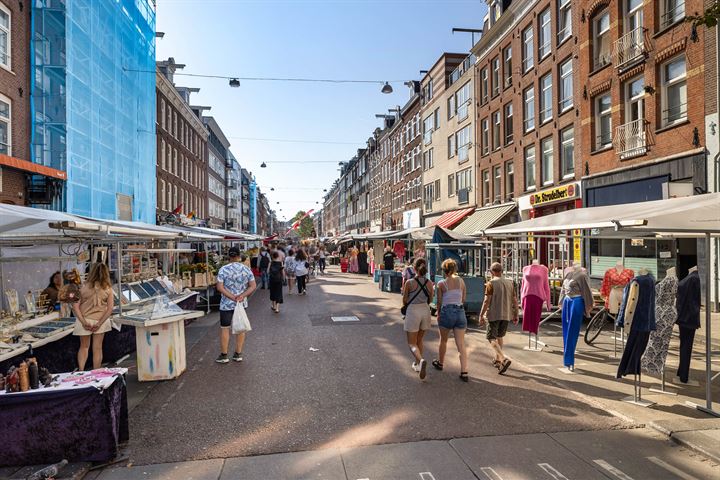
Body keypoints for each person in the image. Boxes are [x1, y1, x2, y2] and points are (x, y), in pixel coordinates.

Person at [215, 247, 257, 364]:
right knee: (240, 326)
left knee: (225, 328)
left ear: (229, 256)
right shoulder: (246, 269)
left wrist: (231, 296)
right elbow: (252, 286)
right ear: (239, 256)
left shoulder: (223, 269)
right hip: (241, 303)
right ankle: (238, 353)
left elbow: (220, 287)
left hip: (226, 304)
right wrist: (242, 296)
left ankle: (224, 355)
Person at [432, 259, 469, 382]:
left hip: (447, 312)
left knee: (443, 340)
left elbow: (439, 301)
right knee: (461, 344)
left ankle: (441, 363)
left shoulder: (441, 284)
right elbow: (463, 298)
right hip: (460, 311)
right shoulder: (461, 281)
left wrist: (438, 313)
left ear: (444, 271)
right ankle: (464, 371)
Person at [72, 263, 114, 370]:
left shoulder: (81, 287)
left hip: (84, 319)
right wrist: (99, 323)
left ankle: (81, 370)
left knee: (84, 347)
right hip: (101, 320)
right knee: (97, 348)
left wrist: (83, 322)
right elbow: (110, 309)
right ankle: (96, 372)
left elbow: (75, 307)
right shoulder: (108, 289)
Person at [479, 262, 519, 375]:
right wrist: (516, 314)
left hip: (494, 314)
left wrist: (481, 315)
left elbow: (487, 301)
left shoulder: (491, 283)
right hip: (506, 314)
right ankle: (498, 360)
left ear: (492, 272)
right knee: (500, 336)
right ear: (501, 271)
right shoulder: (510, 283)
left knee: (491, 337)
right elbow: (515, 301)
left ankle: (503, 358)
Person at [402, 258, 434, 380]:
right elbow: (431, 299)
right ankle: (417, 364)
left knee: (411, 342)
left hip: (413, 311)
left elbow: (405, 299)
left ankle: (420, 360)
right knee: (420, 339)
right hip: (425, 311)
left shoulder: (409, 283)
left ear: (414, 268)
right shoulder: (429, 283)